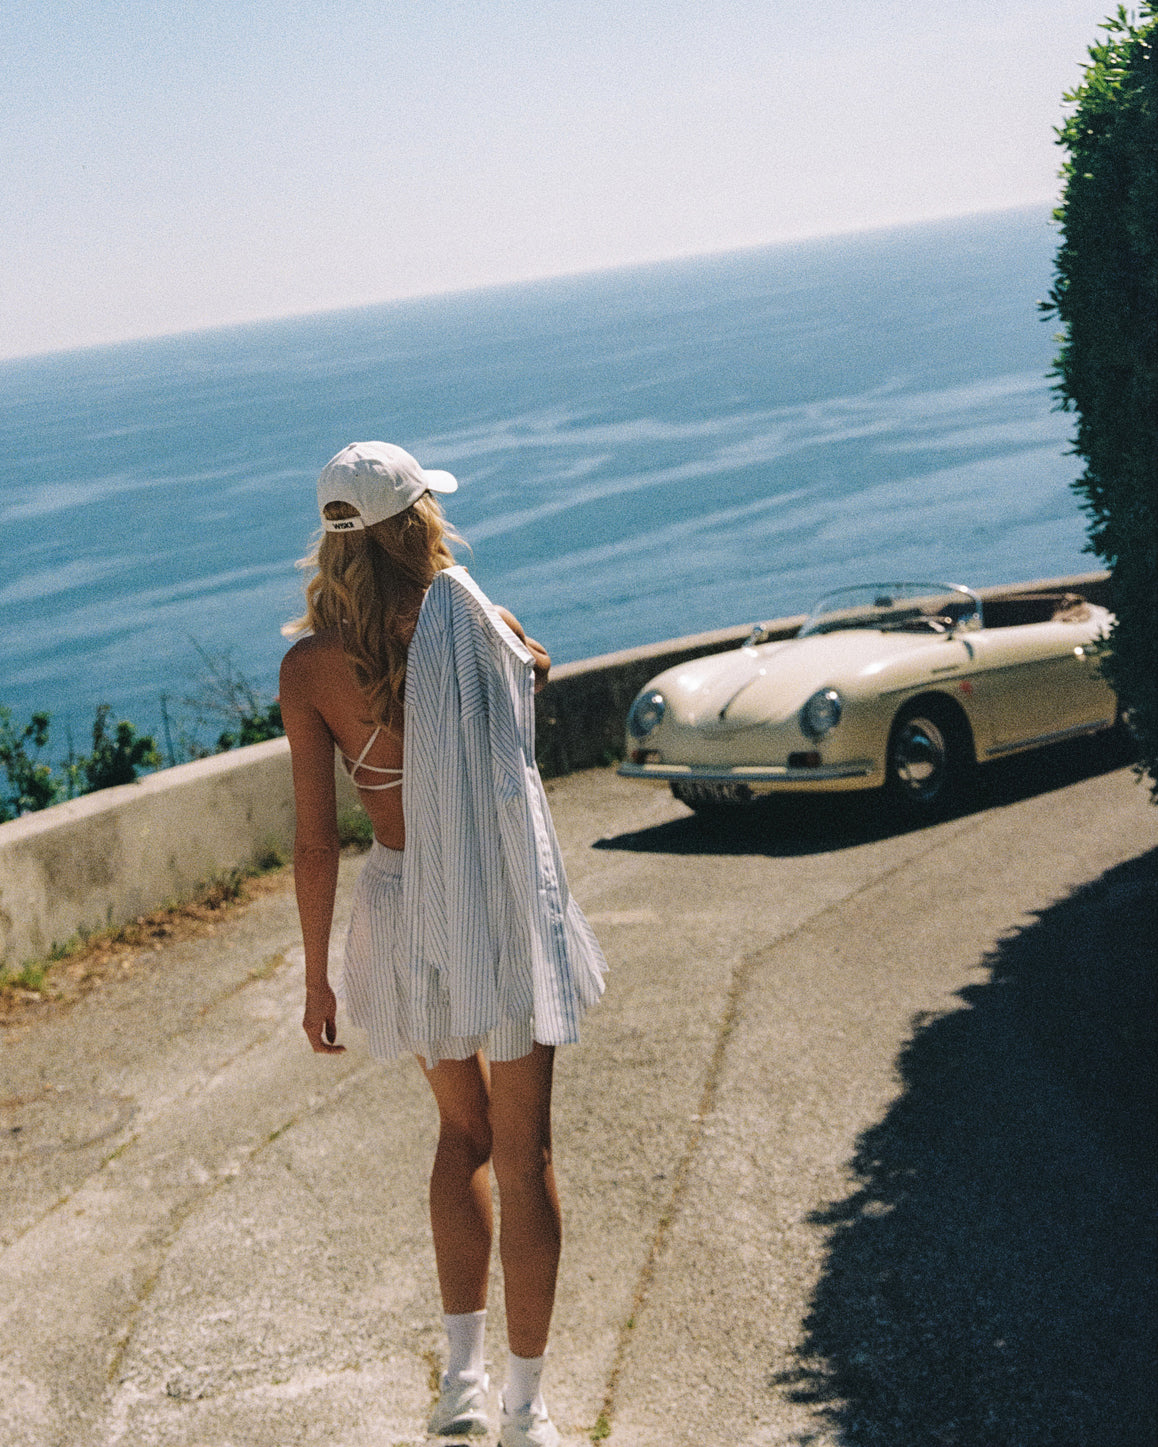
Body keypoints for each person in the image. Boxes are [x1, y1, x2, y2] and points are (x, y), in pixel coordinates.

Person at [279, 441, 606, 1447]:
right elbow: (533, 679)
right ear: (416, 518)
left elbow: (314, 840)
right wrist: (525, 652)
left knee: (461, 1134)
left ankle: (459, 1383)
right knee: (523, 1152)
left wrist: (318, 978)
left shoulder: (307, 668)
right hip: (495, 900)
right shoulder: (470, 619)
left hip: (403, 904)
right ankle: (525, 1409)